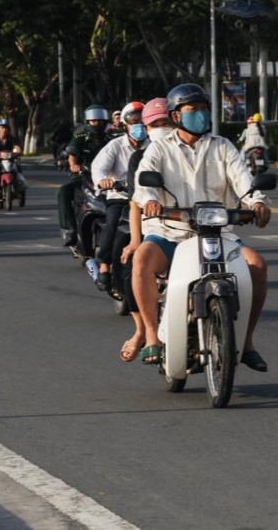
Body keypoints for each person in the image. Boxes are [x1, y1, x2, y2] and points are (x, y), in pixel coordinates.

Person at [130, 84, 273, 370]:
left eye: (204, 110)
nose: (200, 115)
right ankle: (150, 336)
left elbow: (243, 179)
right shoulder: (160, 147)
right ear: (176, 115)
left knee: (257, 265)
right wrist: (150, 201)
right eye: (192, 110)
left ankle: (246, 342)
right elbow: (143, 182)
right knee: (142, 260)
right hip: (170, 232)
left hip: (218, 233)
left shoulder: (222, 145)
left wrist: (257, 202)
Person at [116, 99, 174, 362]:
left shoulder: (202, 149)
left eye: (167, 123)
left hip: (199, 229)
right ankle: (141, 331)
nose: (162, 128)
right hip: (158, 230)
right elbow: (135, 203)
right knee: (129, 261)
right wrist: (135, 241)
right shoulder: (142, 157)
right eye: (155, 124)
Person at [89, 101, 147, 292]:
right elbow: (99, 167)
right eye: (133, 120)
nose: (138, 125)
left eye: (142, 120)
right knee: (111, 223)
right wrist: (104, 180)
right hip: (120, 197)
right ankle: (104, 266)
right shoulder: (115, 146)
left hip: (148, 198)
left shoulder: (155, 145)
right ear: (124, 124)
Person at [58, 105, 111, 246]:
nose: (97, 124)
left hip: (107, 178)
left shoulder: (110, 138)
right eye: (94, 121)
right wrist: (74, 165)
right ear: (88, 122)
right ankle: (70, 229)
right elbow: (72, 154)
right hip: (84, 176)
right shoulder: (80, 137)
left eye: (100, 121)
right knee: (64, 191)